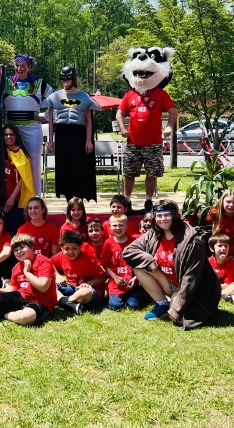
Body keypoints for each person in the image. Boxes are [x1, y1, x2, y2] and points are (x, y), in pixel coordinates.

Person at [124, 200, 222, 330]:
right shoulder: (154, 233)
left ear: (175, 215)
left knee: (180, 318)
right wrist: (149, 262)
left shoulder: (191, 242)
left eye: (167, 215)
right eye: (159, 215)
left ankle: (175, 304)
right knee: (139, 266)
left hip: (193, 290)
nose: (163, 219)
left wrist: (177, 309)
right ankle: (162, 304)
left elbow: (190, 279)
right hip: (169, 283)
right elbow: (129, 251)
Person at [116, 75, 177, 213]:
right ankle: (127, 201)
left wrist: (169, 127)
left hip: (153, 143)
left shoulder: (160, 93)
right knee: (129, 173)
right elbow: (120, 113)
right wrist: (123, 128)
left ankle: (148, 201)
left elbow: (173, 111)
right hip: (133, 142)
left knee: (152, 173)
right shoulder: (130, 93)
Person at [46, 66, 101, 201]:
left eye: (68, 78)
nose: (66, 81)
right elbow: (51, 120)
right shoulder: (54, 96)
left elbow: (89, 120)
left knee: (79, 166)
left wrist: (89, 140)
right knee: (63, 166)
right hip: (61, 134)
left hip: (79, 134)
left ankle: (79, 198)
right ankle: (68, 200)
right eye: (63, 78)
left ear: (74, 78)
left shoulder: (84, 96)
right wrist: (51, 141)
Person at [3, 54, 53, 197]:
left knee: (33, 163)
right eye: (17, 65)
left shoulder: (38, 82)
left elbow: (55, 99)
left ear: (29, 67)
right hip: (11, 130)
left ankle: (35, 199)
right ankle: (12, 196)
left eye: (23, 65)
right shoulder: (6, 82)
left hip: (32, 128)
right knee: (10, 163)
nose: (20, 68)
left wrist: (45, 116)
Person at [0, 233, 57, 325]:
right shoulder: (16, 267)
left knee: (26, 317)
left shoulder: (43, 261)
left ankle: (3, 314)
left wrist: (27, 272)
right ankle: (11, 313)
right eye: (16, 250)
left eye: (22, 247)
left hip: (42, 302)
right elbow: (13, 288)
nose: (19, 251)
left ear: (32, 247)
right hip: (22, 297)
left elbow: (43, 287)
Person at [50, 230, 106, 314]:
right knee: (50, 286)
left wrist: (89, 284)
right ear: (61, 248)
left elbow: (103, 277)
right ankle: (70, 303)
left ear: (80, 247)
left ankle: (64, 302)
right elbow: (48, 262)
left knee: (85, 292)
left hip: (90, 290)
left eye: (74, 248)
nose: (70, 252)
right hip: (71, 287)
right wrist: (57, 276)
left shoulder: (88, 259)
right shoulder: (61, 255)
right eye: (67, 249)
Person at [101, 214, 141, 310]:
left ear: (127, 226)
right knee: (116, 306)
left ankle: (132, 295)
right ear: (110, 226)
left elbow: (140, 263)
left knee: (134, 306)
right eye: (114, 225)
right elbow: (105, 265)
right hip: (115, 281)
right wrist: (115, 277)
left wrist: (136, 278)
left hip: (131, 281)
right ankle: (112, 292)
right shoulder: (108, 243)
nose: (118, 228)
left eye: (121, 225)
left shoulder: (134, 242)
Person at [3, 123, 35, 236]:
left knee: (13, 231)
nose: (8, 137)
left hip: (15, 200)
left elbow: (23, 179)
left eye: (11, 134)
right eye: (6, 134)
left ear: (16, 136)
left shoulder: (22, 154)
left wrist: (12, 198)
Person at [208, 233, 234, 304]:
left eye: (226, 246)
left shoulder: (232, 266)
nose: (223, 248)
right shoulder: (207, 262)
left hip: (221, 288)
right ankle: (223, 296)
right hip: (210, 287)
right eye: (220, 246)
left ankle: (217, 295)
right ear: (211, 248)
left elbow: (228, 285)